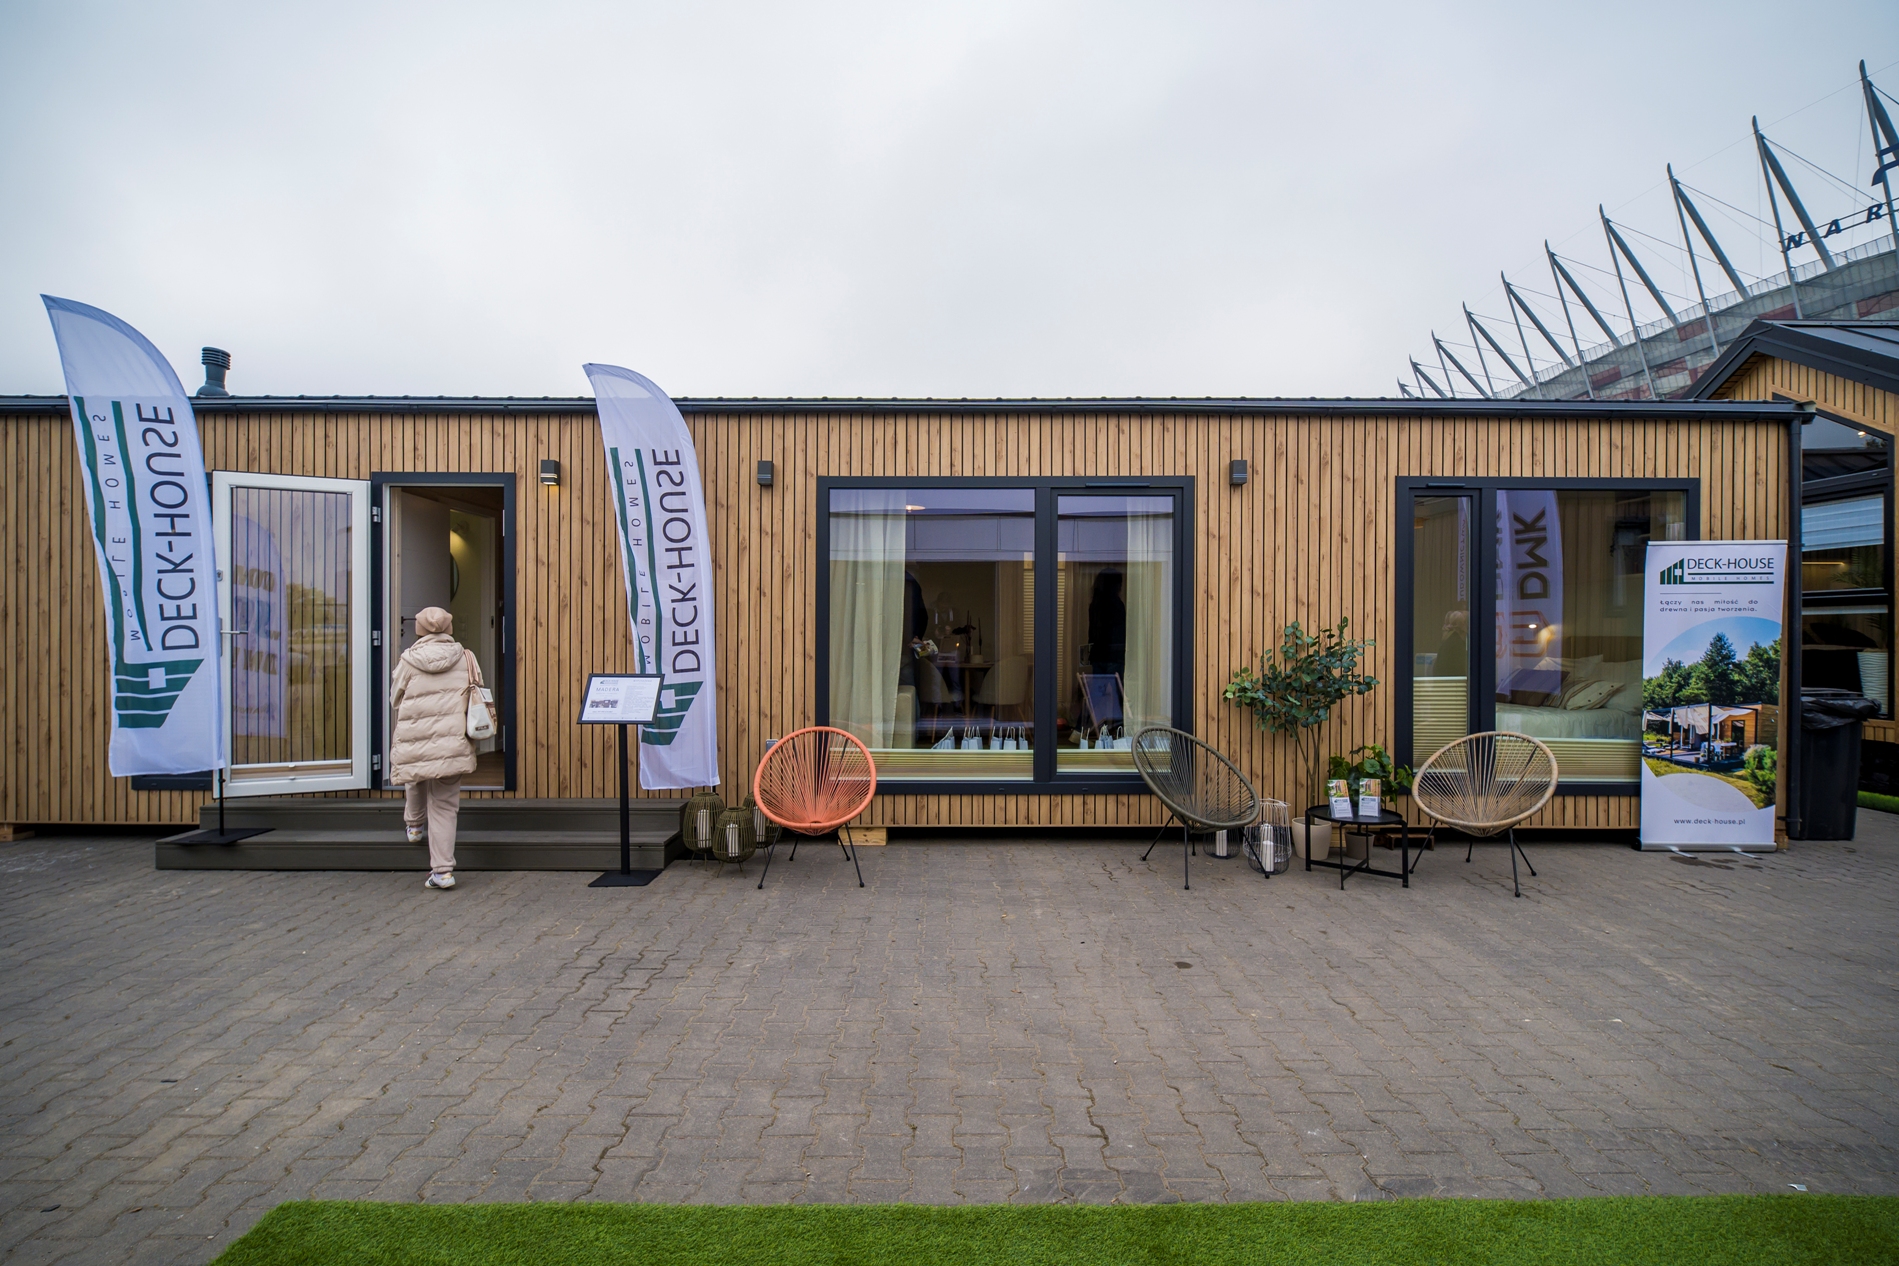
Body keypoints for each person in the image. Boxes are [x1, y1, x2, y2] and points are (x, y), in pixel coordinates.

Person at [389, 606, 484, 889]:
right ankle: (442, 872)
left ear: (419, 631)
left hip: (416, 737)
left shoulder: (409, 660)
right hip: (452, 741)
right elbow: (478, 690)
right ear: (448, 629)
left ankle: (414, 824)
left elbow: (395, 699)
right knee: (444, 804)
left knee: (415, 776)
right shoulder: (465, 657)